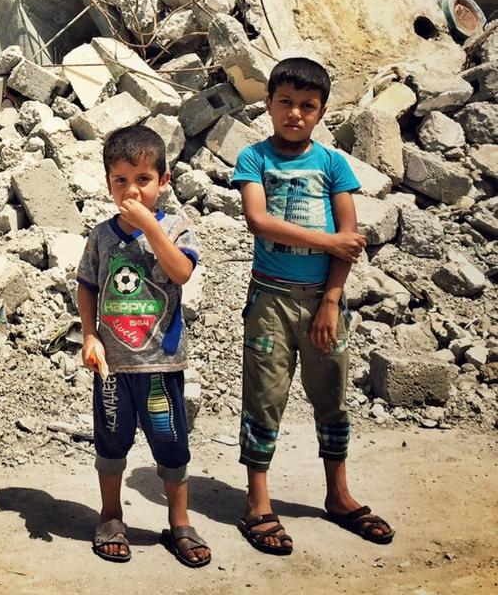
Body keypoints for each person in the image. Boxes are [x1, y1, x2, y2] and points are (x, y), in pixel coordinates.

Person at [232, 56, 395, 554]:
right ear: (268, 104)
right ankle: (258, 502)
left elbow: (351, 238)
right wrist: (328, 243)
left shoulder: (332, 164)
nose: (295, 114)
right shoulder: (253, 158)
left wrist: (331, 300)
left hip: (325, 304)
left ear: (322, 112)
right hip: (271, 302)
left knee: (332, 398)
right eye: (286, 102)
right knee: (264, 398)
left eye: (307, 106)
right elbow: (259, 222)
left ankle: (338, 494)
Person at [77, 124, 209, 568]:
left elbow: (181, 274)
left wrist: (151, 226)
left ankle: (179, 521)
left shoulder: (175, 228)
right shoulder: (100, 236)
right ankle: (111, 517)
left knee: (170, 443)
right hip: (113, 367)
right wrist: (91, 334)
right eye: (121, 180)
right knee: (111, 443)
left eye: (143, 180)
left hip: (160, 365)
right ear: (108, 182)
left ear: (163, 181)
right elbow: (87, 286)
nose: (131, 190)